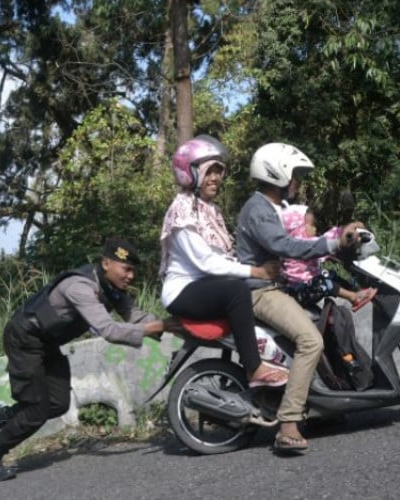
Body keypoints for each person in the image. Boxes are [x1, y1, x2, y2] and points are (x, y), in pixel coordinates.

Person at [0, 239, 176, 482]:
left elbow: (137, 317)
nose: (131, 276)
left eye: (133, 270)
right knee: (37, 409)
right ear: (107, 263)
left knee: (57, 403)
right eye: (126, 269)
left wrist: (176, 326)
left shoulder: (111, 289)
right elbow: (107, 330)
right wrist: (161, 325)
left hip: (46, 342)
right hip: (24, 338)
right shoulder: (80, 287)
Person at [235, 142, 362, 453]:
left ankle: (319, 410)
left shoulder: (269, 208)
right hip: (260, 293)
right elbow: (287, 247)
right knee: (311, 341)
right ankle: (288, 424)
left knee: (319, 328)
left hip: (273, 288)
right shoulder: (258, 210)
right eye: (296, 175)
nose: (298, 182)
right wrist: (331, 244)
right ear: (278, 174)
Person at [159, 135, 288, 389]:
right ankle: (254, 367)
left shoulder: (207, 209)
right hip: (182, 291)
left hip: (204, 286)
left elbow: (226, 256)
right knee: (237, 290)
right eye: (209, 172)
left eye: (219, 171)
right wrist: (256, 272)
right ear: (190, 173)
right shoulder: (182, 210)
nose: (217, 178)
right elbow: (207, 262)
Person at [280, 203, 376, 311]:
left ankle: (358, 289)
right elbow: (326, 239)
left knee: (333, 270)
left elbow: (324, 239)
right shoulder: (301, 245)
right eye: (311, 226)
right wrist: (344, 229)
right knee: (323, 282)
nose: (315, 229)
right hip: (299, 291)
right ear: (298, 229)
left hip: (308, 284)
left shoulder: (296, 245)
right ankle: (353, 297)